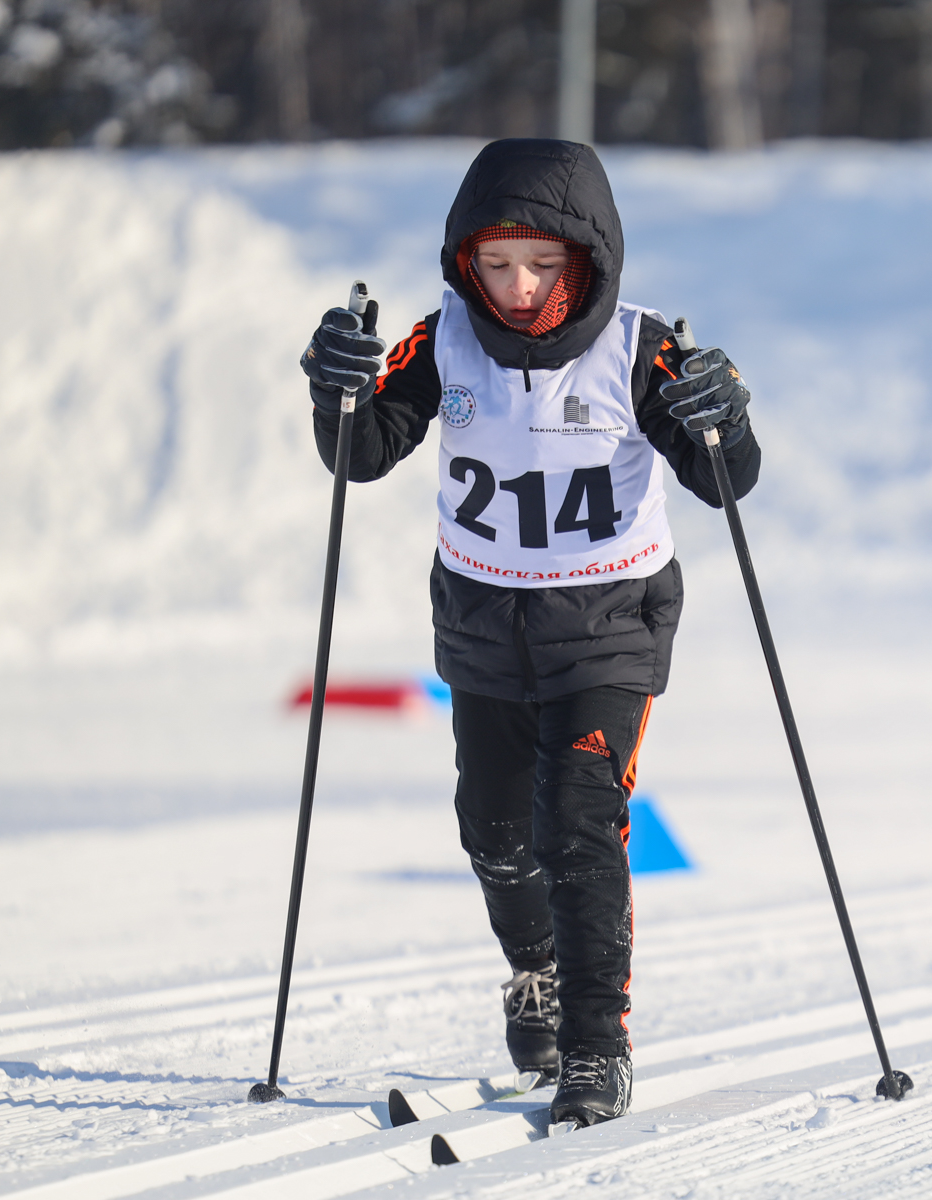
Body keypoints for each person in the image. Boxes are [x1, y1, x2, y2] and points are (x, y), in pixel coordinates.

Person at [297, 138, 759, 1127]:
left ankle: (598, 1049)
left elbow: (724, 481)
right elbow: (365, 453)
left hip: (607, 621)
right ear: (465, 258)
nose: (515, 287)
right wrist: (335, 390)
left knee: (579, 822)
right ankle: (535, 974)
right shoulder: (443, 339)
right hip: (482, 618)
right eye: (495, 264)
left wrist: (727, 420)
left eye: (543, 266)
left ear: (587, 259)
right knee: (496, 834)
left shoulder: (640, 349)